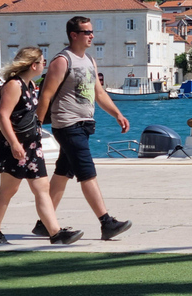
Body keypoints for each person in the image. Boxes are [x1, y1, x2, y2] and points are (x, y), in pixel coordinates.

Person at [34, 16, 132, 240]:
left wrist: (117, 114)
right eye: (87, 32)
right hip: (67, 124)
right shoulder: (62, 60)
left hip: (85, 124)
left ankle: (43, 223)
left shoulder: (89, 60)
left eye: (91, 31)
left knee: (62, 173)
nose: (91, 35)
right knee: (87, 173)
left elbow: (99, 93)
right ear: (74, 35)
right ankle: (106, 223)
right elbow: (46, 95)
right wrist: (37, 126)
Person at [0, 47, 83, 245]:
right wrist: (13, 143)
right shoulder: (14, 86)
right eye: (42, 62)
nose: (44, 65)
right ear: (33, 65)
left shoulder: (29, 85)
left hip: (31, 145)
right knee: (7, 190)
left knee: (42, 188)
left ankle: (55, 233)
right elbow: (3, 115)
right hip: (15, 145)